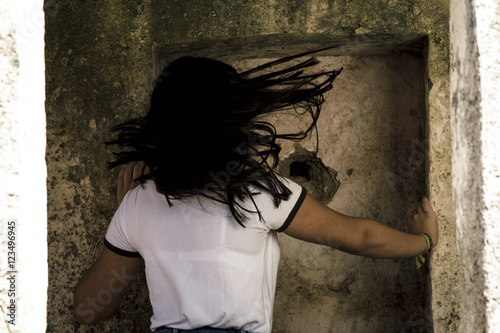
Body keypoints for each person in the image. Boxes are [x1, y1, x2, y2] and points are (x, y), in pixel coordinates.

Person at [73, 51, 438, 333]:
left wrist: (134, 227)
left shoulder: (137, 204)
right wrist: (424, 241)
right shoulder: (256, 191)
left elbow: (89, 309)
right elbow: (361, 238)